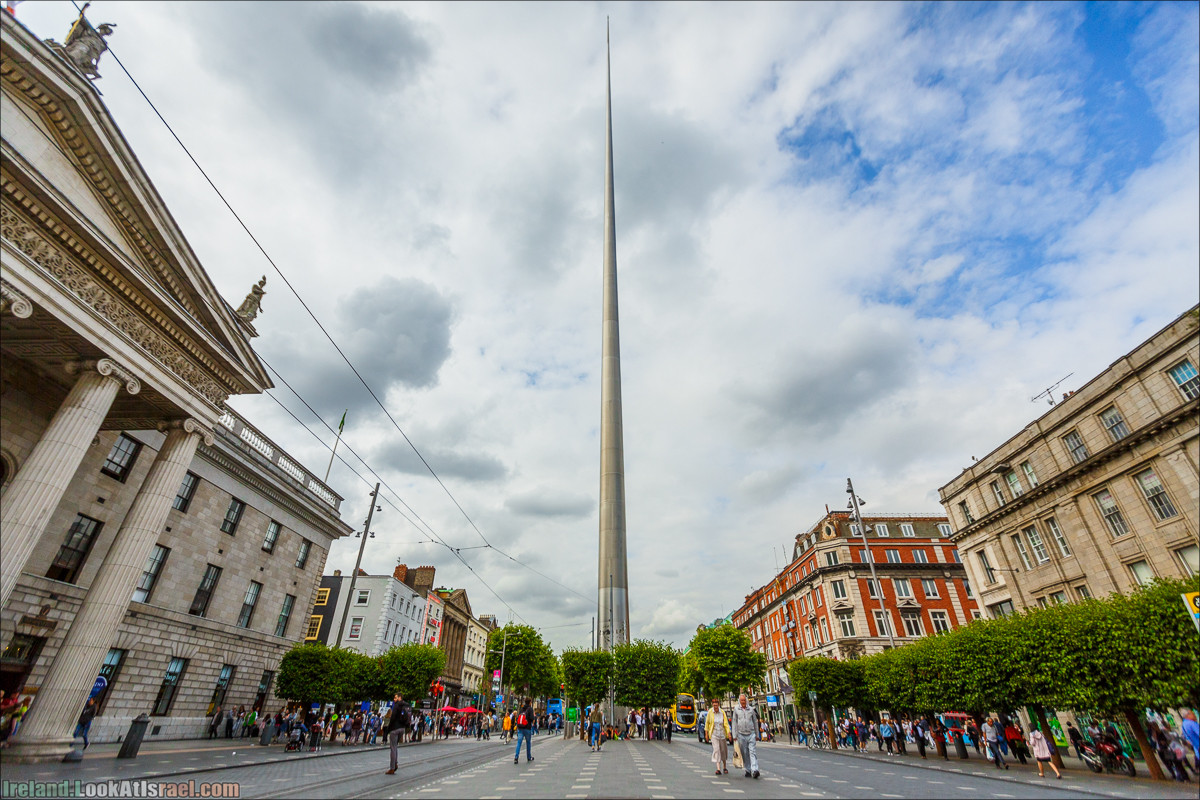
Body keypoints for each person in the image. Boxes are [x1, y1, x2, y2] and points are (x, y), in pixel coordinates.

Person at [733, 694, 761, 779]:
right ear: (739, 701)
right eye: (741, 700)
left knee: (752, 752)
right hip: (741, 734)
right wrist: (734, 735)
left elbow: (755, 722)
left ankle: (755, 770)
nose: (743, 702)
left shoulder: (751, 709)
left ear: (746, 700)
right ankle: (748, 770)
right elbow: (734, 722)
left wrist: (757, 734)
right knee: (745, 753)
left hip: (751, 733)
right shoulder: (736, 709)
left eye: (744, 700)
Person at [384, 694, 411, 775]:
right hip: (402, 728)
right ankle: (395, 763)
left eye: (395, 697)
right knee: (395, 746)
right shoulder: (406, 705)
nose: (394, 699)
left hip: (394, 729)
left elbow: (392, 718)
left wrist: (389, 729)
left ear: (399, 697)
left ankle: (392, 767)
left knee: (393, 748)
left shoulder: (397, 705)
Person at [706, 698, 731, 776]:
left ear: (718, 705)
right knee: (717, 750)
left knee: (723, 750)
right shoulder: (710, 712)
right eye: (714, 705)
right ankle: (718, 768)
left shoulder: (722, 712)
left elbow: (726, 724)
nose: (715, 707)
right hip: (714, 734)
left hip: (722, 734)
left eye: (716, 705)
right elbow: (707, 723)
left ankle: (724, 767)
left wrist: (728, 733)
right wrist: (706, 734)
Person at [514, 697, 535, 764]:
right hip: (527, 728)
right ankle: (529, 757)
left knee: (519, 743)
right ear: (530, 702)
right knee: (528, 743)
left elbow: (518, 717)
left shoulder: (521, 709)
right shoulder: (530, 709)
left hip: (520, 728)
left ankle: (516, 757)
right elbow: (531, 718)